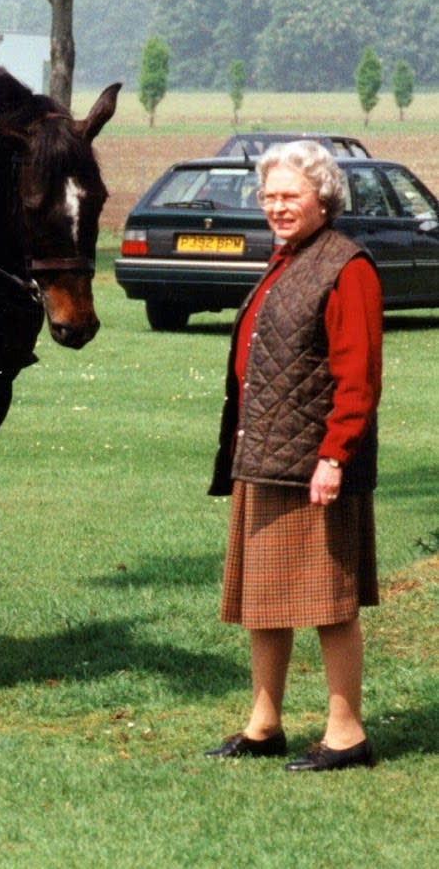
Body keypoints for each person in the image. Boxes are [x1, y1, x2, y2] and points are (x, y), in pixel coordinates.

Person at [205, 140, 382, 772]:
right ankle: (264, 723)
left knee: (328, 604)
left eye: (291, 196)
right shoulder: (287, 259)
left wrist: (334, 457)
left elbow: (357, 377)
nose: (278, 207)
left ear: (323, 198)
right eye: (269, 196)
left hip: (314, 467)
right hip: (265, 460)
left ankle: (346, 733)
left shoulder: (346, 265)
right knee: (264, 600)